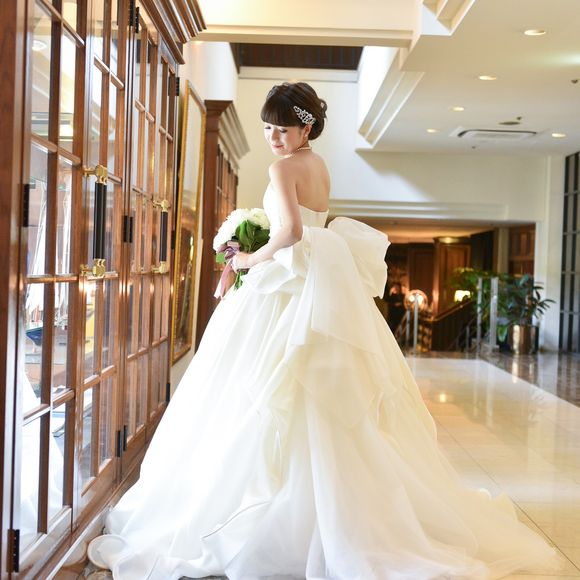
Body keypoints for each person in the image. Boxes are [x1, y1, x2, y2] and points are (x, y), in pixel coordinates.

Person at [88, 82, 558, 579]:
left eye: (282, 129)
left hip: (285, 287)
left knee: (258, 391)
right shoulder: (318, 165)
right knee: (315, 400)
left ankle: (270, 518)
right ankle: (331, 518)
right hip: (313, 286)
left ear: (305, 127)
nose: (273, 138)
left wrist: (247, 258)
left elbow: (291, 232)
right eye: (267, 128)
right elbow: (310, 226)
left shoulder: (281, 168)